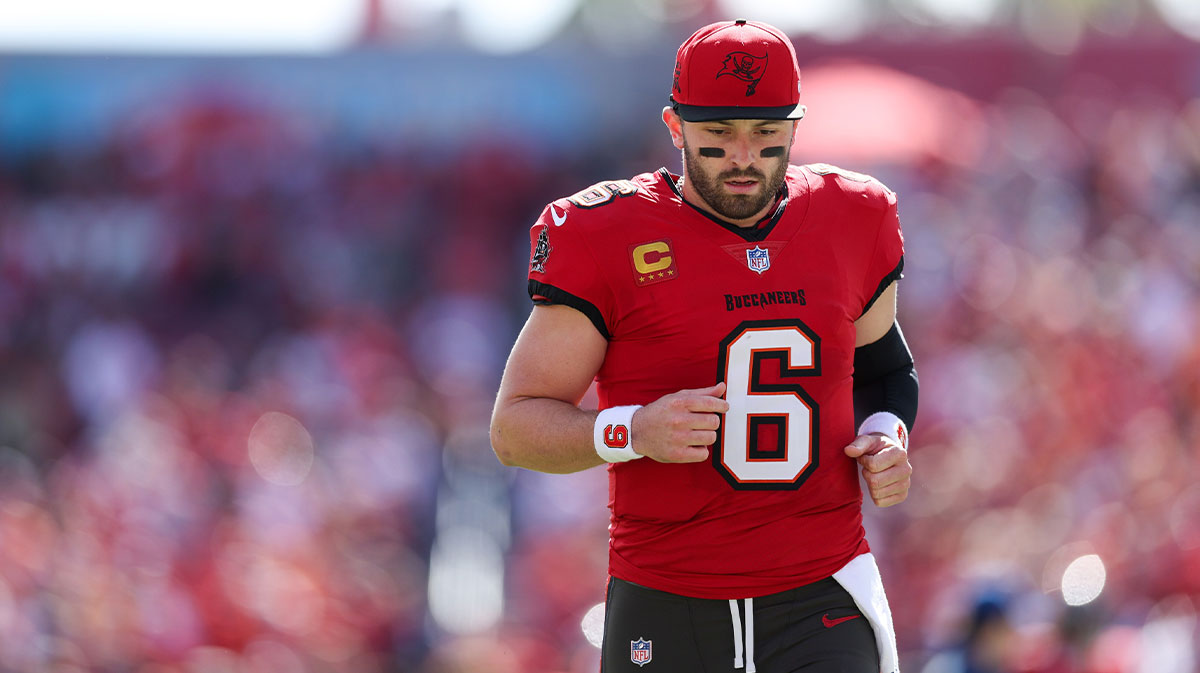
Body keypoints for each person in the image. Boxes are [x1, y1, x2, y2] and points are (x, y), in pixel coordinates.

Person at [491, 18, 918, 673]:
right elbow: (514, 428)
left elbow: (886, 369)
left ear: (795, 128)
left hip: (823, 592)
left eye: (765, 134)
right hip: (667, 599)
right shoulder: (605, 234)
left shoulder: (853, 216)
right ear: (676, 126)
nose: (744, 157)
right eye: (719, 134)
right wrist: (635, 430)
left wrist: (888, 434)